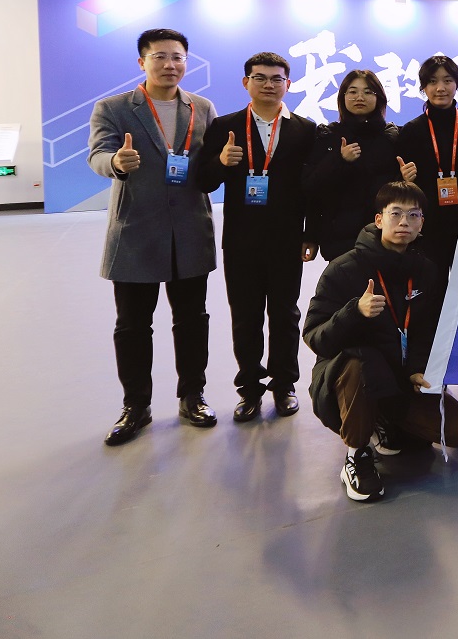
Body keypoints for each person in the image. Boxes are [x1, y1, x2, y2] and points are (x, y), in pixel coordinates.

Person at [303, 182, 458, 503]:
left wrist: (417, 368)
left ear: (422, 223)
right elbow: (315, 336)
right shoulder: (343, 269)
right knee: (361, 363)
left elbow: (426, 330)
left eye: (413, 215)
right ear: (379, 219)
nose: (404, 222)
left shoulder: (426, 271)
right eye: (395, 214)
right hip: (350, 380)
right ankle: (357, 453)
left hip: (399, 381)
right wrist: (354, 312)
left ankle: (386, 422)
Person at [88, 28, 219, 446]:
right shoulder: (113, 108)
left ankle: (192, 396)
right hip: (136, 231)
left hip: (190, 231)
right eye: (160, 56)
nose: (170, 65)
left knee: (193, 320)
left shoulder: (202, 107)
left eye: (177, 57)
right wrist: (116, 161)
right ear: (141, 62)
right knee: (132, 325)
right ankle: (136, 406)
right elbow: (97, 155)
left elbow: (208, 164)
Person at [197, 52, 319, 422]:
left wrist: (310, 234)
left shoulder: (305, 129)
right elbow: (203, 181)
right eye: (260, 77)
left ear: (288, 84)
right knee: (245, 316)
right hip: (241, 241)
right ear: (245, 82)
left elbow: (312, 189)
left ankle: (284, 385)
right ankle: (249, 388)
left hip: (287, 239)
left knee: (285, 315)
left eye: (276, 78)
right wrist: (221, 162)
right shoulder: (225, 126)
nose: (269, 84)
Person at [304, 71, 416, 262]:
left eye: (368, 92)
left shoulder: (395, 136)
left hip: (386, 236)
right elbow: (312, 188)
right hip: (339, 238)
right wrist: (339, 159)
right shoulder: (328, 135)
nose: (360, 97)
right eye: (353, 92)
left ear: (379, 97)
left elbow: (408, 194)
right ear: (343, 97)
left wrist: (408, 180)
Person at [395, 55, 458, 271]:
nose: (440, 88)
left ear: (457, 84)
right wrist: (404, 179)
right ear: (423, 87)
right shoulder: (411, 131)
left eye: (447, 80)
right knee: (432, 285)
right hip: (427, 226)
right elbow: (398, 186)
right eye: (432, 81)